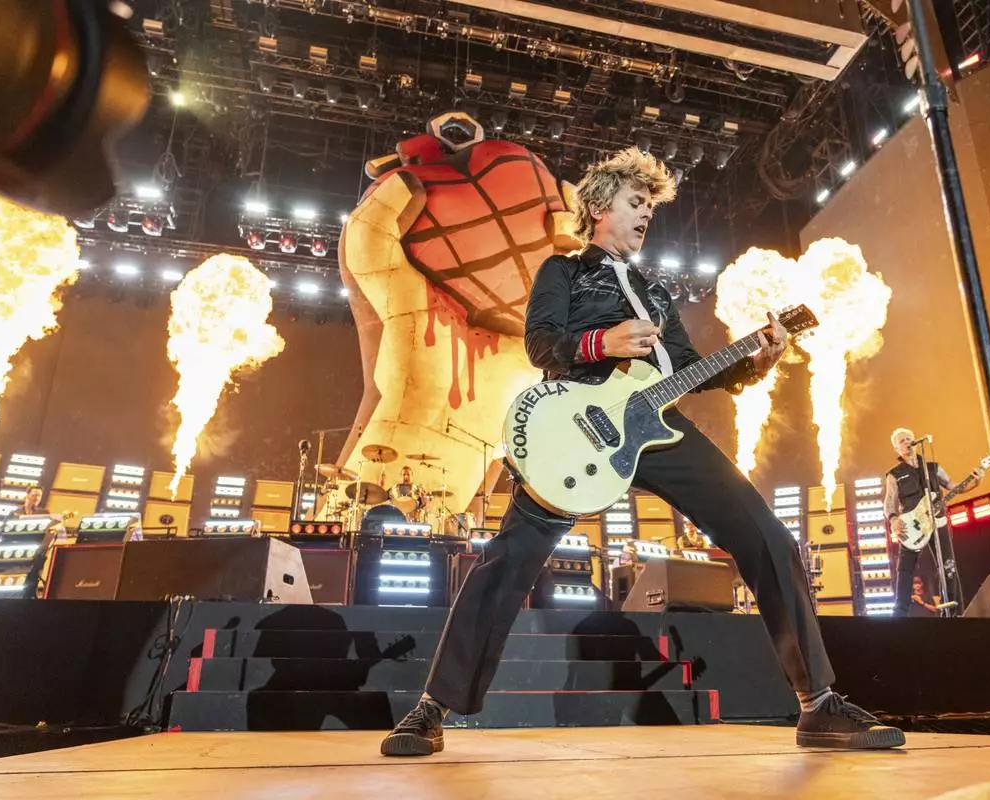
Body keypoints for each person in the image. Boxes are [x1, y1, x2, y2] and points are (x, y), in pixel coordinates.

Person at [380, 146, 905, 756]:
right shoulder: (565, 272)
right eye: (636, 203)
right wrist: (604, 340)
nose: (646, 215)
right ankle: (431, 709)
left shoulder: (656, 293)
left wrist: (754, 360)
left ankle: (817, 707)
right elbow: (542, 346)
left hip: (660, 430)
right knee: (506, 562)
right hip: (579, 428)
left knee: (769, 539)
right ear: (600, 207)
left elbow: (689, 371)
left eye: (651, 207)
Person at [883, 428, 982, 618]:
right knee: (905, 569)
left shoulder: (933, 468)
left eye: (909, 439)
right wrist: (894, 519)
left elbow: (954, 487)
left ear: (916, 441)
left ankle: (953, 611)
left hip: (938, 522)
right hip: (912, 526)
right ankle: (900, 614)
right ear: (896, 448)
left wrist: (975, 482)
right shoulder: (894, 474)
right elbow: (888, 502)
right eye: (902, 441)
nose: (907, 443)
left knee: (948, 565)